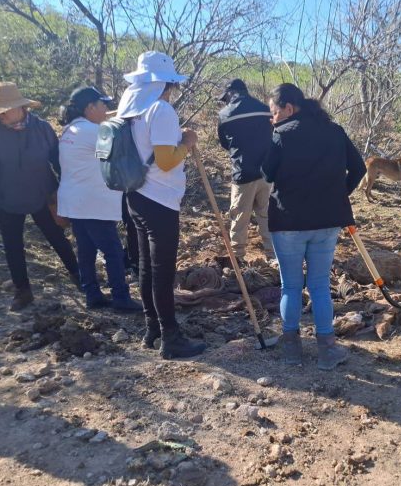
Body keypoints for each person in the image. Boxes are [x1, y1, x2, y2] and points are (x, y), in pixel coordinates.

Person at [261, 83, 365, 370]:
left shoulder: (280, 135)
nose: (272, 118)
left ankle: (291, 348)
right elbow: (359, 169)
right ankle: (327, 349)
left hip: (288, 222)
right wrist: (338, 194)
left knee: (291, 286)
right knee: (319, 285)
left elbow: (266, 173)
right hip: (327, 222)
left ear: (289, 109)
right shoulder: (335, 131)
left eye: (274, 112)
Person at [119, 51, 206, 359]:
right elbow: (167, 161)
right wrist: (187, 143)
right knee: (162, 270)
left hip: (135, 195)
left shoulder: (129, 106)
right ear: (166, 83)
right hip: (159, 199)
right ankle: (171, 337)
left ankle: (152, 329)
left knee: (146, 267)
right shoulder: (161, 109)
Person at [0, 81, 80, 311]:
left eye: (3, 109)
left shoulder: (42, 128)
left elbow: (58, 160)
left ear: (19, 107)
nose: (0, 115)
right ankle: (22, 291)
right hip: (7, 199)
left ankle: (78, 275)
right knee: (12, 246)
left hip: (42, 194)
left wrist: (68, 186)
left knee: (56, 236)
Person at [56, 85, 142, 312]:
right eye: (102, 104)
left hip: (75, 201)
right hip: (92, 203)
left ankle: (92, 294)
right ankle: (121, 298)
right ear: (90, 107)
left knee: (86, 250)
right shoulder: (90, 131)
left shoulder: (70, 131)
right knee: (112, 251)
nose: (106, 109)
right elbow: (122, 143)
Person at [217, 79, 275, 260]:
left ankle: (238, 257)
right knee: (267, 216)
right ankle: (273, 256)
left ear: (230, 94)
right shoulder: (265, 109)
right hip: (267, 173)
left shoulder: (225, 114)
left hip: (243, 174)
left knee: (239, 217)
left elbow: (225, 144)